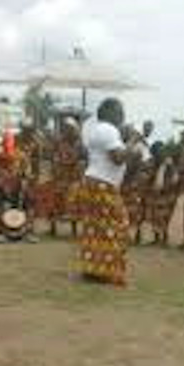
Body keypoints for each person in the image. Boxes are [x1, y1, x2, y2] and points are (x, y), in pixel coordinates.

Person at [75, 98, 139, 286]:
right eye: (120, 111)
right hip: (103, 184)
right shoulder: (108, 130)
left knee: (96, 228)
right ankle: (109, 272)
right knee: (118, 225)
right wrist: (133, 142)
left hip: (95, 182)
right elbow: (118, 158)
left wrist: (126, 145)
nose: (123, 115)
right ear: (110, 112)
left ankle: (93, 270)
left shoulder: (98, 130)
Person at [49, 117, 86, 237]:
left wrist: (80, 167)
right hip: (60, 175)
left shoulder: (80, 143)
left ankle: (74, 230)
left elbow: (84, 159)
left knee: (74, 201)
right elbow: (53, 156)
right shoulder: (58, 141)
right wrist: (55, 167)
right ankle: (53, 228)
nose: (68, 130)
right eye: (65, 128)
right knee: (56, 201)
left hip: (74, 176)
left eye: (70, 128)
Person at [147, 142, 180, 247]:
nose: (159, 153)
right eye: (157, 151)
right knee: (155, 215)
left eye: (160, 151)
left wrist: (167, 186)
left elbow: (175, 178)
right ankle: (157, 238)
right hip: (156, 193)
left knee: (165, 216)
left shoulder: (170, 163)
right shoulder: (153, 162)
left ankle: (165, 238)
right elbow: (149, 175)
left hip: (168, 193)